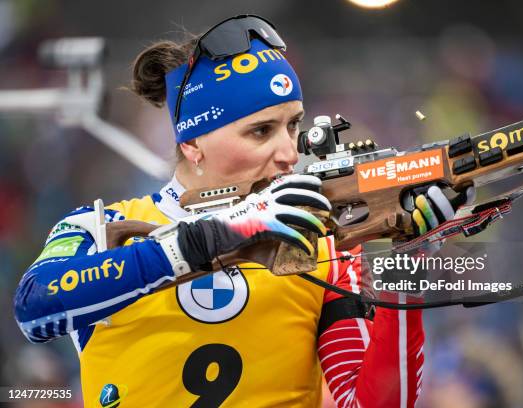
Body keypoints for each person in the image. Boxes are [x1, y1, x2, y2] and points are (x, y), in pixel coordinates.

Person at [13, 15, 473, 407]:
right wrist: (214, 236)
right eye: (260, 132)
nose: (289, 153)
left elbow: (374, 402)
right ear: (192, 142)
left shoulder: (325, 247)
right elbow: (34, 308)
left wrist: (405, 267)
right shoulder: (99, 226)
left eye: (293, 126)